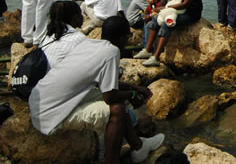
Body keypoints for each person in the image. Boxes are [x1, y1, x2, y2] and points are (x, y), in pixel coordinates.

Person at [29, 16, 164, 164]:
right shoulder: (112, 51)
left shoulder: (89, 44)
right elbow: (110, 96)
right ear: (121, 38)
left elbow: (106, 85)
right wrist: (132, 94)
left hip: (39, 99)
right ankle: (111, 160)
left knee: (119, 100)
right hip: (49, 112)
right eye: (128, 36)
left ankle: (138, 147)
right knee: (117, 109)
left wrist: (133, 87)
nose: (128, 41)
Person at [135, 0, 203, 67]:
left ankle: (156, 57)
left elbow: (185, 4)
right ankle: (147, 50)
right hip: (176, 9)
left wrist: (166, 8)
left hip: (190, 13)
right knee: (154, 21)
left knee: (167, 25)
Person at [41, 1, 87, 69]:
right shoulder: (78, 38)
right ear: (75, 17)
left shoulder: (47, 36)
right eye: (80, 14)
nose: (82, 17)